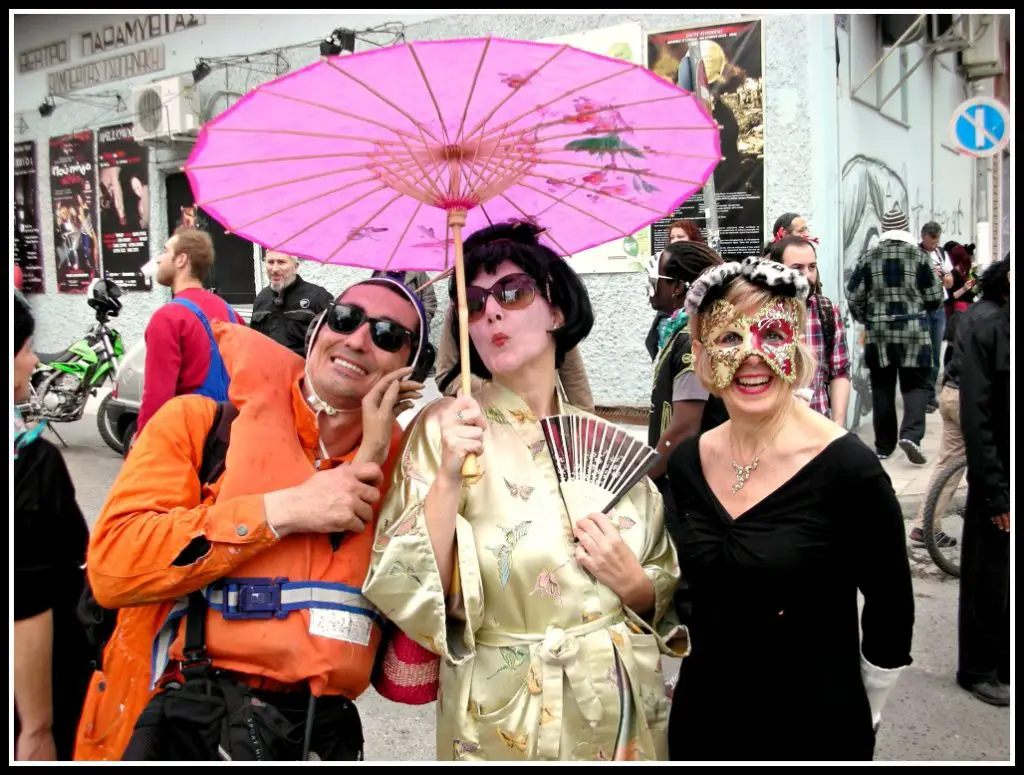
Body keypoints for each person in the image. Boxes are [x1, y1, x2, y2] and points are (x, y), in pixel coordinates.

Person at [363, 221, 685, 762]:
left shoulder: (601, 438)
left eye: (513, 292)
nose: (491, 312)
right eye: (474, 301)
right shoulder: (445, 432)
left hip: (618, 706)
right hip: (503, 712)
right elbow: (411, 590)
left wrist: (636, 585)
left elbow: (660, 581)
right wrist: (445, 480)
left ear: (556, 310)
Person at [73, 276, 428, 761]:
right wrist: (285, 510)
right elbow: (113, 568)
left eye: (387, 335)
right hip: (186, 725)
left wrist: (436, 465)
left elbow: (413, 668)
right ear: (318, 331)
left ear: (409, 369)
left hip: (318, 740)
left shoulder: (410, 476)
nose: (358, 339)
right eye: (345, 319)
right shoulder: (198, 427)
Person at [664, 257, 915, 761]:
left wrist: (865, 710)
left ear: (798, 345)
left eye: (773, 334)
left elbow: (891, 612)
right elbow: (691, 591)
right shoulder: (690, 462)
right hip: (704, 720)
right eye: (730, 339)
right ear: (701, 355)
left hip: (812, 726)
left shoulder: (849, 469)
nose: (752, 356)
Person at [13, 293, 93, 760]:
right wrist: (37, 727)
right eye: (25, 347)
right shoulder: (30, 464)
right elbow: (27, 603)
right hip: (39, 682)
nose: (33, 359)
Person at [846, 206, 943, 464]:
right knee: (917, 385)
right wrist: (924, 309)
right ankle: (911, 434)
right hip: (914, 331)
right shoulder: (920, 257)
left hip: (878, 333)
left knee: (881, 387)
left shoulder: (868, 257)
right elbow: (935, 296)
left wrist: (866, 317)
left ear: (885, 229)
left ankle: (884, 446)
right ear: (906, 227)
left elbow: (854, 295)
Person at [955, 256, 1010, 707]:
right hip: (997, 469)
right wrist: (994, 489)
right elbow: (981, 414)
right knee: (988, 571)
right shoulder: (986, 325)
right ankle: (978, 667)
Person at [136, 228, 245, 434]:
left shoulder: (167, 318)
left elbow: (157, 396)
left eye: (165, 251)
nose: (159, 259)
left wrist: (142, 442)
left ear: (181, 260)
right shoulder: (230, 313)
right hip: (228, 436)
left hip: (189, 436)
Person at [646, 240, 728, 485]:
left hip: (685, 483)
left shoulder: (690, 340)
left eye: (657, 277)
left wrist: (645, 478)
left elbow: (684, 428)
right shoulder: (682, 332)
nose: (652, 284)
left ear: (678, 287)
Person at [768, 236, 851, 424]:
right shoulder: (760, 312)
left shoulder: (827, 311)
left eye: (812, 267)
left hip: (819, 426)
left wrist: (837, 425)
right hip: (773, 429)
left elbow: (839, 372)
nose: (807, 274)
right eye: (797, 268)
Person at [250, 250, 334, 358]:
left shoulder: (318, 297)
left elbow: (333, 342)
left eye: (281, 262)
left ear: (295, 266)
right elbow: (255, 342)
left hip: (303, 371)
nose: (275, 269)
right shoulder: (261, 298)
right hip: (268, 371)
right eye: (270, 262)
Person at [646, 219, 705, 361]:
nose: (675, 241)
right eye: (672, 237)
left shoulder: (700, 263)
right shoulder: (666, 262)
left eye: (680, 237)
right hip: (667, 320)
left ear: (692, 238)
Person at [919, 222, 953, 413]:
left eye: (937, 240)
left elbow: (950, 282)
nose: (934, 243)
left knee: (935, 354)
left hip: (938, 308)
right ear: (923, 237)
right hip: (922, 308)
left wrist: (944, 278)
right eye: (932, 240)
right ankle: (923, 397)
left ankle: (930, 394)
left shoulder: (940, 254)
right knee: (923, 354)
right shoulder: (916, 254)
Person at [371, 269, 438, 326]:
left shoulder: (417, 272)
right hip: (382, 329)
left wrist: (421, 324)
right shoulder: (378, 273)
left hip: (411, 330)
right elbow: (369, 300)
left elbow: (430, 299)